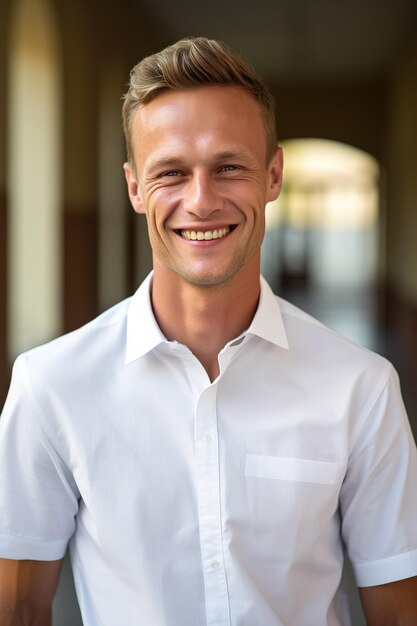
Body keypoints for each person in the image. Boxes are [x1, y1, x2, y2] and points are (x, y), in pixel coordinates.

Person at [0, 36, 417, 626]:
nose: (201, 201)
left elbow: (400, 613)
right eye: (171, 172)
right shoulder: (50, 387)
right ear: (135, 189)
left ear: (273, 175)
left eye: (229, 167)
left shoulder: (362, 388)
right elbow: (16, 608)